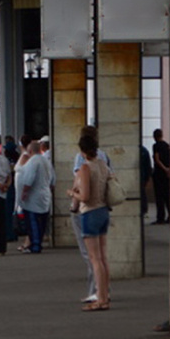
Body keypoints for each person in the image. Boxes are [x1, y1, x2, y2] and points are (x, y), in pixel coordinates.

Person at [68, 133, 111, 311]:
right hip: (103, 211)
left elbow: (84, 196)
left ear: (82, 150)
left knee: (94, 258)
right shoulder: (103, 164)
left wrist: (72, 194)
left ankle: (100, 299)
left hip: (90, 213)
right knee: (102, 257)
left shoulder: (85, 168)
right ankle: (105, 294)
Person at [17, 140, 52, 253]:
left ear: (30, 151)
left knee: (33, 222)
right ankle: (38, 242)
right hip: (45, 194)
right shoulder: (46, 161)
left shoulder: (32, 162)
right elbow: (53, 179)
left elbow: (28, 179)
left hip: (33, 196)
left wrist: (24, 192)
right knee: (42, 222)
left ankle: (35, 245)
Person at [152, 128, 170, 224]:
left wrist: (164, 168)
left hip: (159, 174)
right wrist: (169, 169)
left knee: (159, 196)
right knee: (168, 196)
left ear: (154, 137)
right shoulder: (167, 146)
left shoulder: (156, 146)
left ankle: (161, 218)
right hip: (167, 174)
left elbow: (157, 159)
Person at [140, 144, 153, 218]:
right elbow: (148, 165)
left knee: (142, 193)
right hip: (143, 175)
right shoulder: (144, 150)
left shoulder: (143, 151)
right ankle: (144, 210)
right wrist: (148, 177)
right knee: (143, 193)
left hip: (141, 175)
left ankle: (144, 209)